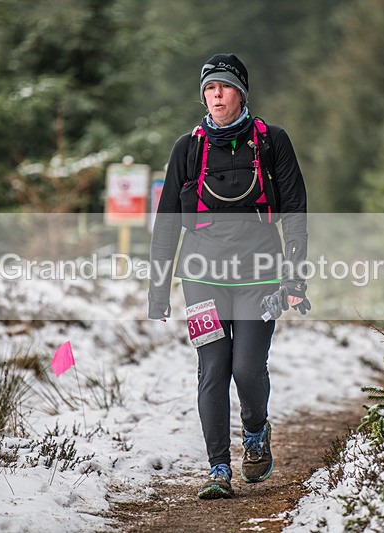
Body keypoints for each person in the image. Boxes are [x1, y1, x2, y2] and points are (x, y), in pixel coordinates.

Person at [148, 52, 309, 499]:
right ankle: (218, 468)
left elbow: (295, 210)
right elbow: (165, 223)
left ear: (241, 92)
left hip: (260, 274)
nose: (216, 95)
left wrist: (294, 279)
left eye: (224, 86)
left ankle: (256, 433)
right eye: (209, 88)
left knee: (247, 368)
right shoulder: (188, 147)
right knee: (213, 369)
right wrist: (158, 290)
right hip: (200, 276)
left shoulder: (272, 141)